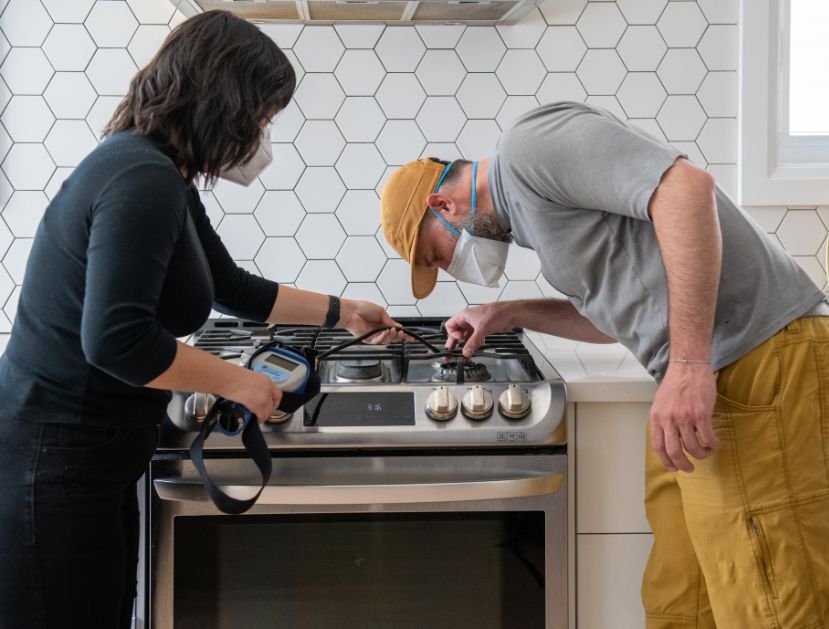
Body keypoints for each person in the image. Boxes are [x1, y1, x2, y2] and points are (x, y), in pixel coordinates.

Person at [0, 11, 403, 629]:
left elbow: (227, 287)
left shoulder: (162, 175)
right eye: (263, 118)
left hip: (89, 455)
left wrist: (342, 311)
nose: (263, 136)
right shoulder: (142, 179)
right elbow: (117, 340)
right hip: (56, 461)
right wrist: (235, 381)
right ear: (226, 103)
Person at [379, 101, 829, 628]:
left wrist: (687, 363)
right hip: (703, 376)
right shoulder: (536, 228)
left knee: (769, 599)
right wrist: (509, 313)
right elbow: (619, 317)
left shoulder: (527, 149)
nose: (452, 268)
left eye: (436, 256)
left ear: (443, 206)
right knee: (681, 599)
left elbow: (686, 191)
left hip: (758, 360)